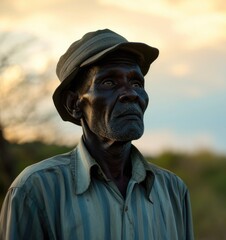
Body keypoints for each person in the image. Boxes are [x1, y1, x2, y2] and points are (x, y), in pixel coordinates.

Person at [0, 29, 194, 240]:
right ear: (74, 104)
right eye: (109, 82)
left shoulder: (173, 191)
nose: (130, 93)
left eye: (137, 83)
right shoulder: (36, 190)